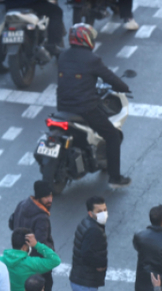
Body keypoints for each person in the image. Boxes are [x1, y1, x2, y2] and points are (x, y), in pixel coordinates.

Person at [56, 23, 131, 187]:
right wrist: (124, 88)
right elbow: (110, 78)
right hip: (85, 109)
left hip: (62, 108)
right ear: (86, 39)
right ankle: (115, 178)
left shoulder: (63, 56)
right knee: (112, 135)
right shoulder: (92, 59)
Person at [12, 181, 57, 291]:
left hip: (20, 261)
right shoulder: (42, 218)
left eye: (51, 196)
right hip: (38, 269)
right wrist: (50, 251)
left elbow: (11, 223)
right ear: (38, 197)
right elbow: (40, 245)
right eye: (46, 197)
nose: (50, 200)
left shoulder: (22, 205)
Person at [0, 0, 65, 74]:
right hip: (33, 4)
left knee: (8, 29)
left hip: (11, 7)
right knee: (57, 12)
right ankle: (52, 46)